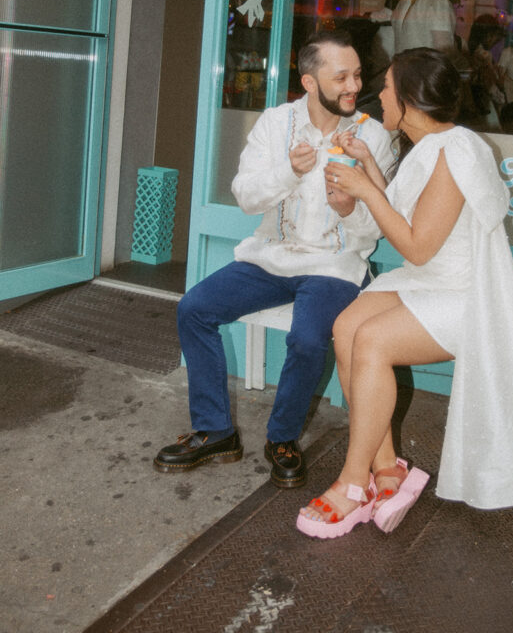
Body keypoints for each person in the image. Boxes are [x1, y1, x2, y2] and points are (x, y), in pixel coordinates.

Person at [296, 48, 513, 539]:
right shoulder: (431, 147)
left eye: (389, 87)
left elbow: (416, 246)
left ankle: (354, 484)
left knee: (372, 341)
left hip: (467, 295)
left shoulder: (457, 149)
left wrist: (365, 189)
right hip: (430, 283)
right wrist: (368, 164)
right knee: (346, 326)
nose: (380, 95)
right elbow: (400, 210)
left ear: (412, 98)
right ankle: (390, 471)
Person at [154, 30, 394, 488]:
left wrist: (350, 211)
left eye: (357, 75)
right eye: (340, 76)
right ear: (308, 81)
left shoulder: (372, 136)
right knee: (194, 308)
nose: (352, 86)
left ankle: (282, 437)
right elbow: (245, 196)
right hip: (271, 256)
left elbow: (379, 226)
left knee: (307, 339)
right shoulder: (274, 123)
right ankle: (215, 430)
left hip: (334, 264)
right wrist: (290, 169)